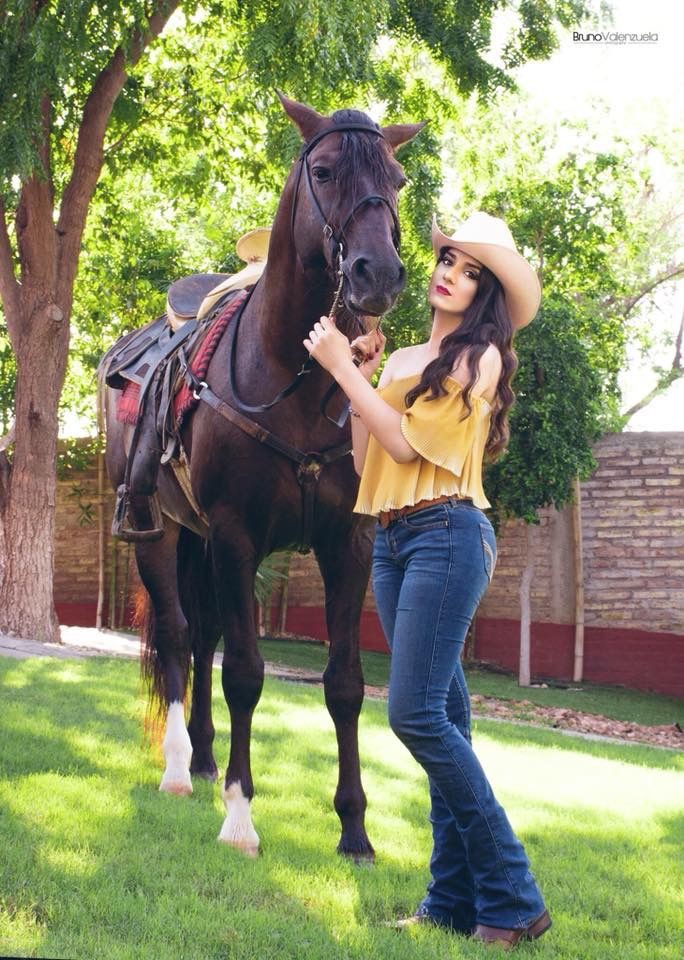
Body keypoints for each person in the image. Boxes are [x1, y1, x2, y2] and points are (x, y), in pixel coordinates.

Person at [303, 211, 551, 949]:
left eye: (472, 272)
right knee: (449, 725)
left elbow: (409, 449)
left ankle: (513, 897)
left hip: (448, 533)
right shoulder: (408, 356)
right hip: (394, 539)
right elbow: (366, 451)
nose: (451, 274)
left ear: (487, 296)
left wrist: (342, 368)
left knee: (414, 716)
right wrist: (365, 375)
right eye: (449, 259)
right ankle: (449, 902)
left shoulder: (483, 360)